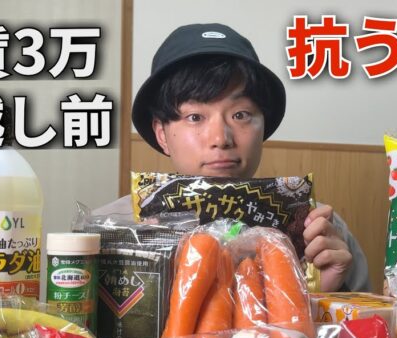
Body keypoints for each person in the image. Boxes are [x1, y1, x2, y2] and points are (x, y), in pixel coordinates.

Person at [131, 23, 371, 292]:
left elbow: (371, 317)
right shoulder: (121, 228)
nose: (221, 138)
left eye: (240, 115)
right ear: (162, 134)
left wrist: (324, 294)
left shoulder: (318, 230)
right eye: (195, 117)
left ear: (263, 126)